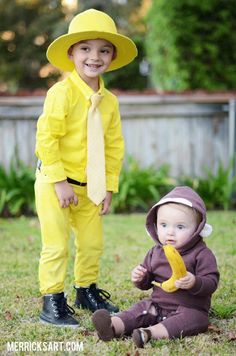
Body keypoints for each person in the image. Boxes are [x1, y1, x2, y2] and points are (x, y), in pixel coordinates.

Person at [34, 8, 137, 327]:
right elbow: (47, 138)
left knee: (92, 243)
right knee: (57, 244)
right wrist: (59, 181)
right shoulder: (61, 93)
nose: (95, 57)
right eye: (86, 49)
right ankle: (52, 299)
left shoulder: (110, 102)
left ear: (113, 56)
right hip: (56, 183)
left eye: (104, 50)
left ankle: (85, 289)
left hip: (91, 186)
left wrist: (108, 185)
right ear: (71, 53)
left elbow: (113, 146)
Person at [92, 186, 220, 347]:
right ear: (156, 225)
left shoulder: (201, 254)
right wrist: (141, 278)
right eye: (164, 225)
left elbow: (212, 281)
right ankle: (113, 326)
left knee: (197, 320)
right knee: (138, 309)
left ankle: (148, 334)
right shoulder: (155, 252)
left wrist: (195, 281)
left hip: (189, 309)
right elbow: (147, 283)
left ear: (197, 229)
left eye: (180, 227)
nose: (170, 232)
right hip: (157, 306)